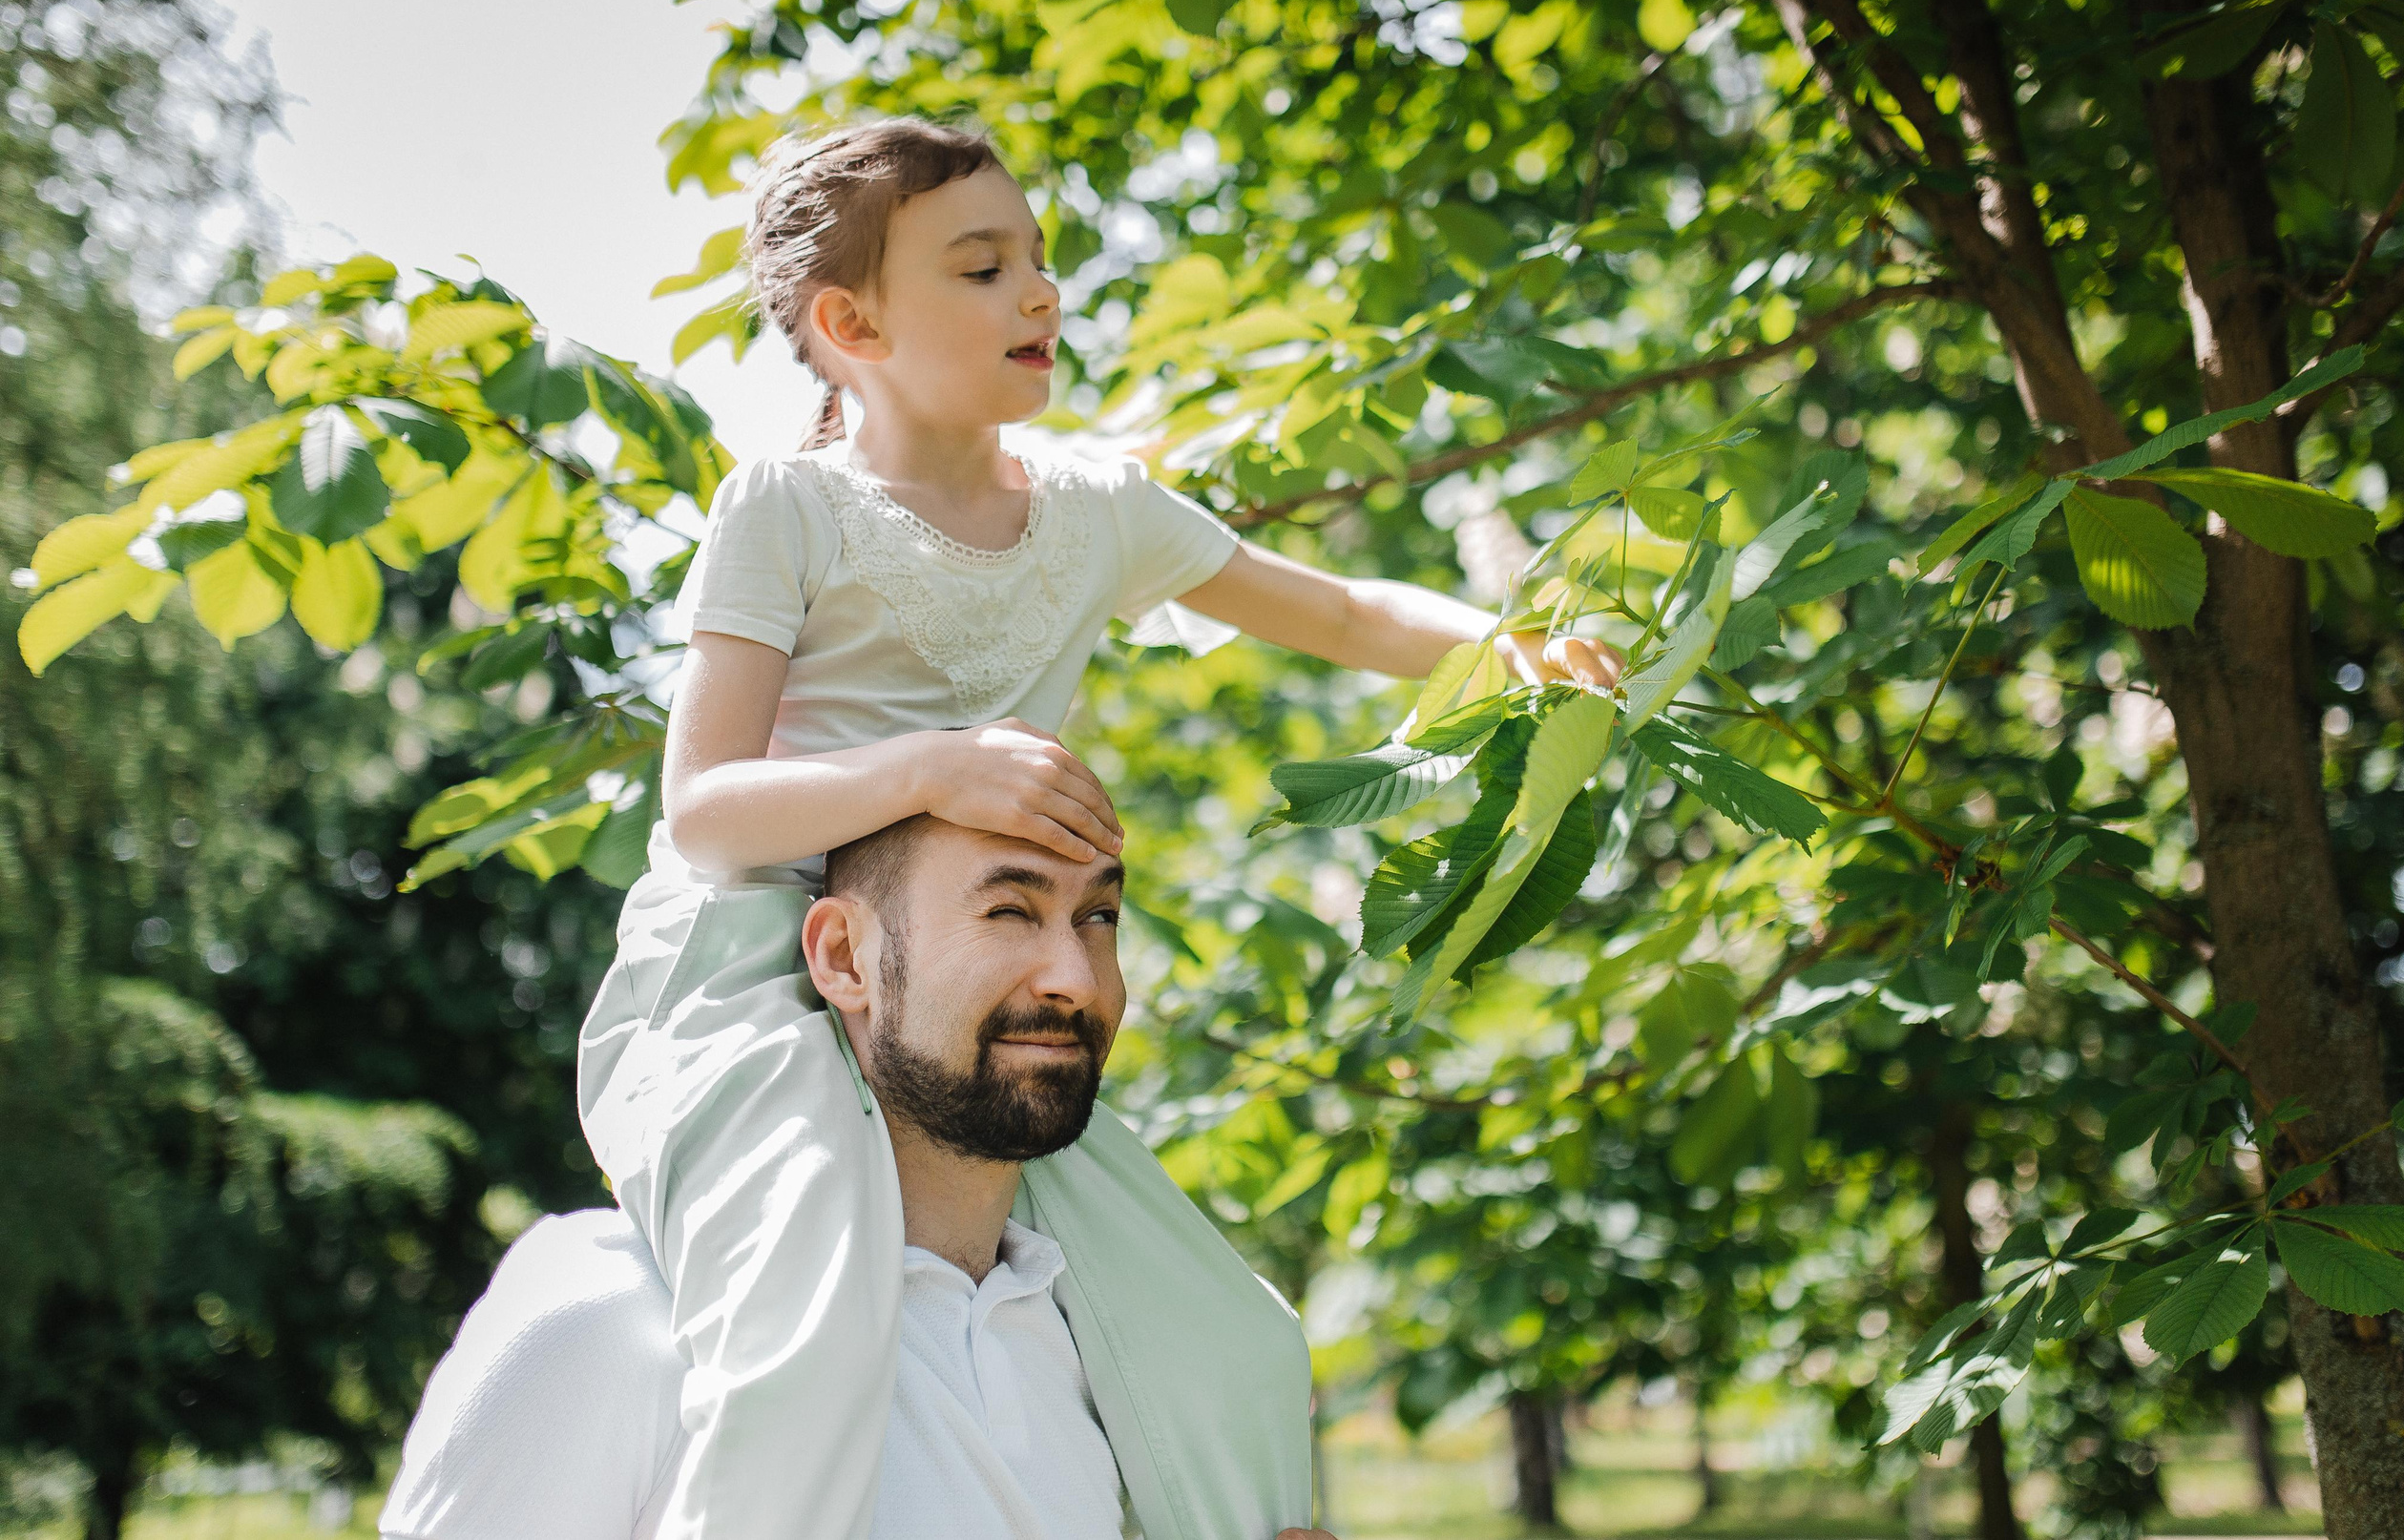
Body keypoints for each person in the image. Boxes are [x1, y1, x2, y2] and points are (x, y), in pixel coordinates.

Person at [579, 115, 1624, 1540]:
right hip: (760, 967)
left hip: (982, 980)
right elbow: (702, 811)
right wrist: (938, 765)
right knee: (802, 1330)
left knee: (1229, 1341)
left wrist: (1511, 652)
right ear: (850, 321)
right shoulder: (790, 511)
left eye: (1041, 258)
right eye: (982, 264)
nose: (1040, 292)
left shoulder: (1093, 508)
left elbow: (1336, 608)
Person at [389, 817, 1334, 1540]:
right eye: (1009, 910)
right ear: (844, 957)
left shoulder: (1107, 1354)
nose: (1074, 978)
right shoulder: (609, 1312)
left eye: (1098, 918)